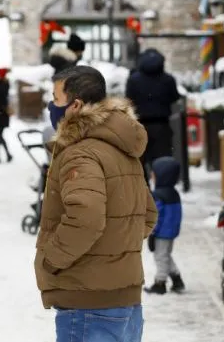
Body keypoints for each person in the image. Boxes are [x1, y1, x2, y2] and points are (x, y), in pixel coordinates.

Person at [38, 65, 157, 342]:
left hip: (88, 304)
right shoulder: (120, 148)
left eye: (55, 99)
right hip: (125, 302)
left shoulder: (81, 153)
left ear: (75, 105)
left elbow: (86, 218)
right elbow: (147, 214)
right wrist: (114, 248)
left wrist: (52, 259)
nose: (51, 107)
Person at [125, 48, 181, 182]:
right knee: (162, 163)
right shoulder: (168, 79)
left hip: (139, 125)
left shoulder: (134, 79)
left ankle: (145, 193)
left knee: (139, 162)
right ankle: (162, 192)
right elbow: (174, 97)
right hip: (161, 125)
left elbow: (128, 100)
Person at [145, 156, 184, 295]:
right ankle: (177, 278)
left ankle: (160, 283)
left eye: (153, 174)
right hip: (170, 232)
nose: (151, 176)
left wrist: (152, 232)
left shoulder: (158, 195)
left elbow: (157, 217)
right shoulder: (174, 194)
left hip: (161, 232)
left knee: (161, 257)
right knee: (165, 255)